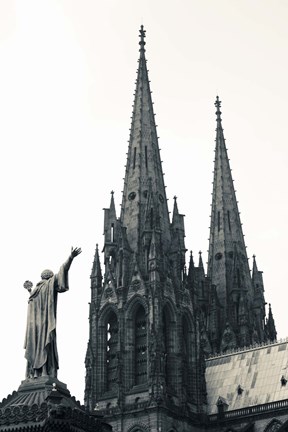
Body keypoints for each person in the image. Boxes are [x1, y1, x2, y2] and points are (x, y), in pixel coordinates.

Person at [24, 247, 82, 378]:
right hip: (43, 324)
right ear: (50, 276)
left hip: (38, 327)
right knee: (46, 344)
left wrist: (30, 291)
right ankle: (43, 372)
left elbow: (62, 271)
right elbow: (63, 269)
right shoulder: (44, 286)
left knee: (41, 345)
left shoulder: (36, 290)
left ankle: (38, 373)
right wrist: (70, 258)